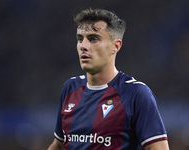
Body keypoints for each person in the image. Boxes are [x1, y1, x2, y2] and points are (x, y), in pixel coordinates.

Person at [48, 8, 169, 150]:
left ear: (115, 46)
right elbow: (58, 144)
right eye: (80, 39)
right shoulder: (70, 88)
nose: (83, 46)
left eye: (93, 39)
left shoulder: (136, 93)